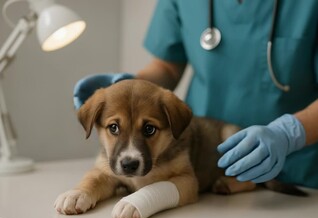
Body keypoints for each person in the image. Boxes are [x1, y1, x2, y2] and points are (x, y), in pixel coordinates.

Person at [73, 0, 318, 188]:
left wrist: (288, 134)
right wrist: (126, 87)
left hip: (299, 167)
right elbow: (167, 66)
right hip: (207, 163)